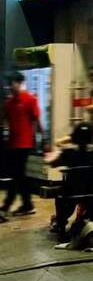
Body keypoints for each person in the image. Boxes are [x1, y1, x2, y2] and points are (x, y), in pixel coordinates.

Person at [46, 122, 93, 234]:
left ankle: (60, 222)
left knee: (61, 195)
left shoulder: (68, 151)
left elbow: (52, 163)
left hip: (73, 192)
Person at [0, 72, 45, 217]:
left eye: (12, 83)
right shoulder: (8, 104)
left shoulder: (30, 99)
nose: (9, 86)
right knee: (19, 175)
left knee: (17, 175)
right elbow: (4, 120)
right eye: (8, 83)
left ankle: (8, 205)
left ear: (20, 83)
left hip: (24, 144)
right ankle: (27, 205)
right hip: (12, 144)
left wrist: (42, 139)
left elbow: (36, 120)